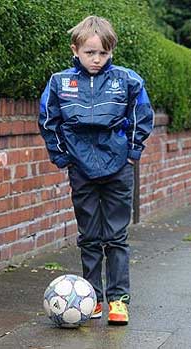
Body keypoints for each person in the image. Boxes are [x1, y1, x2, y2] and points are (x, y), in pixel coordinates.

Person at [38, 15, 154, 326]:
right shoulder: (59, 82)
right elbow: (49, 121)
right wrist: (63, 158)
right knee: (89, 236)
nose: (97, 59)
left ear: (111, 51)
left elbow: (142, 115)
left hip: (118, 167)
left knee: (116, 236)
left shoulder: (127, 80)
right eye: (90, 53)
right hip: (81, 168)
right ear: (75, 49)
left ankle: (118, 300)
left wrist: (132, 153)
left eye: (103, 53)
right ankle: (93, 298)